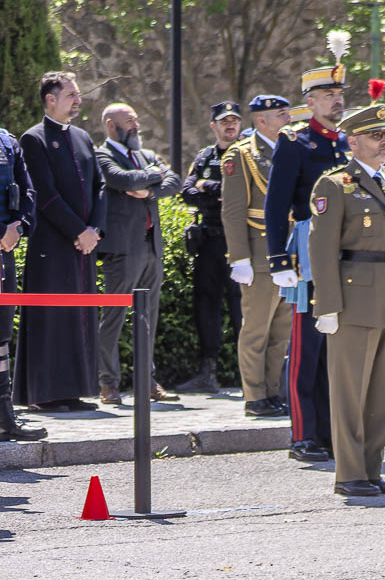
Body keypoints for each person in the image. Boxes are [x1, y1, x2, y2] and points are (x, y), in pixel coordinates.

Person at [308, 103, 385, 498]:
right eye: (375, 135)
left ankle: (371, 469)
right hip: (353, 300)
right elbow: (322, 250)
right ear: (353, 142)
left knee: (382, 392)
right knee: (350, 392)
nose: (384, 141)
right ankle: (349, 473)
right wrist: (327, 306)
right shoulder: (334, 185)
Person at [266, 54, 351, 462]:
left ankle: (332, 433)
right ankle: (303, 435)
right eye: (327, 94)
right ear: (310, 101)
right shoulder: (295, 141)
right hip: (309, 250)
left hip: (347, 253)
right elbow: (276, 203)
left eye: (339, 93)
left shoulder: (348, 142)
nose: (337, 100)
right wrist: (278, 259)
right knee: (307, 349)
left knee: (338, 350)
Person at [17, 72, 106, 413]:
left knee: (78, 317)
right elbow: (44, 193)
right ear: (50, 99)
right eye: (71, 94)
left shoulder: (82, 137)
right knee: (51, 318)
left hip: (85, 245)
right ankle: (45, 393)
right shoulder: (33, 139)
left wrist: (94, 229)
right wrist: (77, 231)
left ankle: (74, 390)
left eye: (77, 94)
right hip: (52, 245)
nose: (78, 100)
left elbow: (99, 186)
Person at [93, 103, 184, 406]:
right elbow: (121, 179)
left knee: (148, 317)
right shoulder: (102, 155)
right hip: (122, 248)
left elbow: (175, 181)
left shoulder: (145, 155)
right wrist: (154, 174)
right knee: (114, 317)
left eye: (135, 119)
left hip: (151, 245)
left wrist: (150, 191)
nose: (136, 125)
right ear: (111, 125)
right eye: (129, 120)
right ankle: (108, 383)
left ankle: (147, 381)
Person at [221, 94, 294, 416]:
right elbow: (233, 210)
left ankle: (273, 392)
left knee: (280, 331)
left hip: (289, 253)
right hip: (260, 254)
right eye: (281, 114)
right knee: (256, 330)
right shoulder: (242, 155)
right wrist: (239, 258)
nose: (288, 119)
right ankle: (254, 396)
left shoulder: (290, 150)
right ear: (261, 120)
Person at [179, 101, 246, 394]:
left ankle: (250, 375)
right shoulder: (205, 156)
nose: (230, 125)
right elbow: (186, 192)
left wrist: (208, 187)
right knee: (206, 305)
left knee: (242, 306)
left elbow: (242, 192)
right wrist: (215, 192)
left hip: (240, 240)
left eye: (234, 121)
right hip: (209, 241)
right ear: (213, 126)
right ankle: (208, 373)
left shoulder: (248, 154)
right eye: (224, 121)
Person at [0, 118, 38, 441]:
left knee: (1, 337)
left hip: (4, 252)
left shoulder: (8, 142)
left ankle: (4, 419)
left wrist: (19, 226)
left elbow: (27, 190)